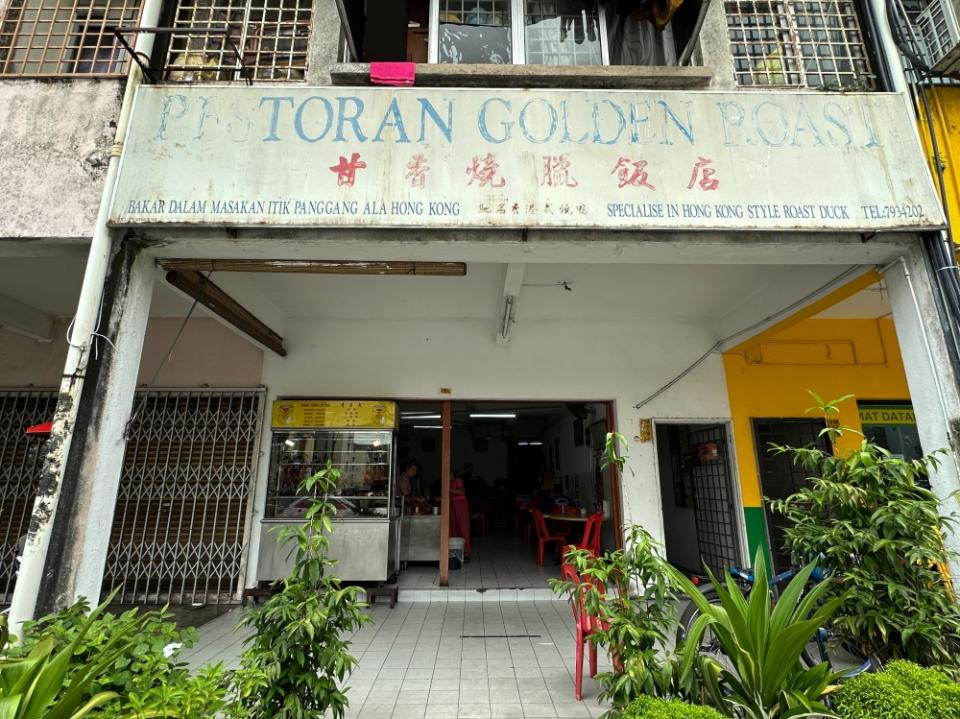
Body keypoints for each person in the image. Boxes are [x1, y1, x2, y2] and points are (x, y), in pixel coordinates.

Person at [449, 470, 472, 560]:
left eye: (449, 474)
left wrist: (448, 489)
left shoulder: (458, 480)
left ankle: (466, 552)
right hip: (452, 506)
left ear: (453, 475)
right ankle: (456, 551)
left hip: (460, 506)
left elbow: (461, 492)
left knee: (463, 528)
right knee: (454, 528)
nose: (448, 476)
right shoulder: (449, 482)